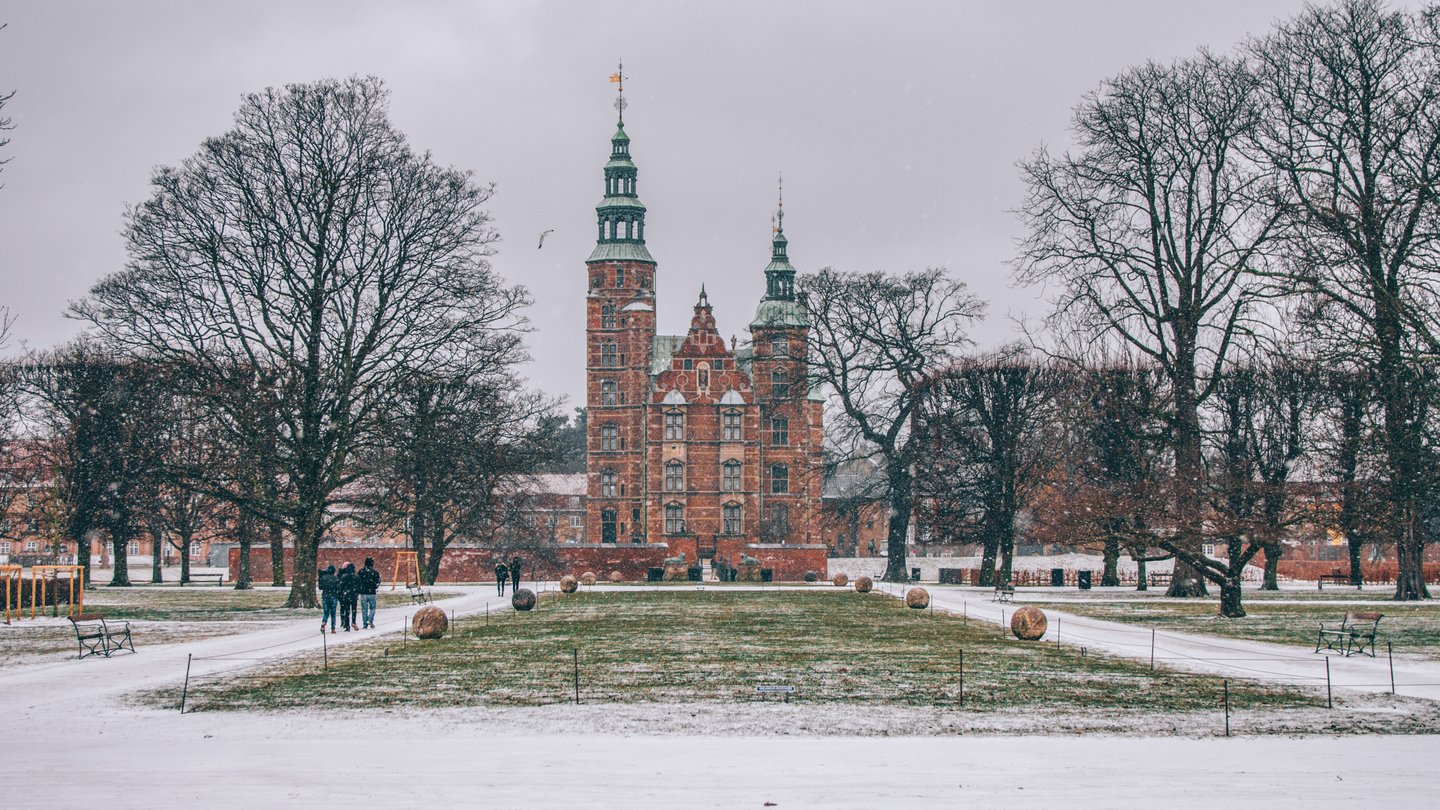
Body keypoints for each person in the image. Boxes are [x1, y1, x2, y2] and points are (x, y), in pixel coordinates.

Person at [357, 557, 381, 629]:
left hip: (363, 593)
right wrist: (375, 586)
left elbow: (358, 581)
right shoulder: (375, 572)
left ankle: (365, 623)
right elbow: (378, 581)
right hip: (372, 593)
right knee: (372, 608)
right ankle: (370, 619)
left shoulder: (361, 571)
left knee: (364, 609)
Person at [318, 564, 339, 634]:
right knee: (333, 613)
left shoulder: (323, 578)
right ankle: (333, 628)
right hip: (333, 596)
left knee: (326, 612)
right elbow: (338, 588)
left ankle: (324, 622)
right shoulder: (336, 578)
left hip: (325, 596)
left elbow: (320, 587)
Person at [338, 562, 359, 632]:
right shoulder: (356, 577)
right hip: (354, 595)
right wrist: (356, 592)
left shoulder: (344, 577)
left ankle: (347, 625)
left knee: (347, 611)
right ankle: (353, 622)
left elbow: (341, 586)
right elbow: (359, 586)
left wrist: (343, 592)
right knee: (354, 609)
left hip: (346, 595)